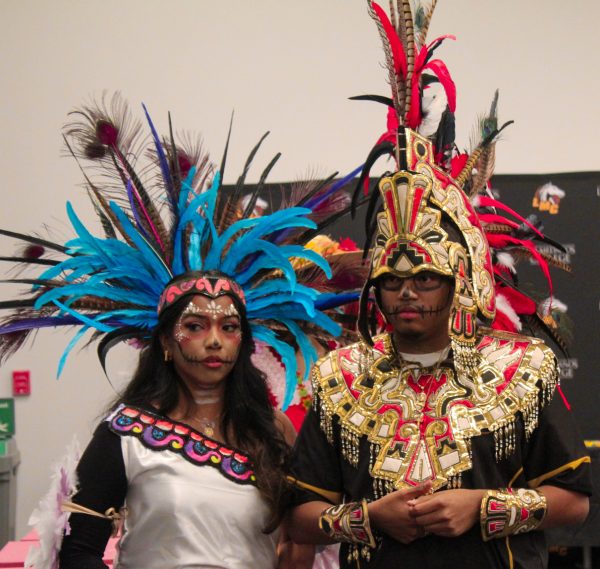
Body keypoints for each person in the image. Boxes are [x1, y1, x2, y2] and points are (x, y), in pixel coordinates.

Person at [287, 2, 592, 568]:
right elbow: (298, 512)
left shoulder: (518, 370)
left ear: (459, 283)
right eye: (393, 279)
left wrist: (486, 507)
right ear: (373, 288)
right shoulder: (340, 381)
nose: (407, 292)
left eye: (425, 278)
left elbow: (573, 501)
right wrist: (367, 518)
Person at [0, 96, 344, 569]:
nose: (215, 340)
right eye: (195, 325)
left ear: (244, 340)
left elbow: (297, 539)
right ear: (165, 340)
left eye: (229, 326)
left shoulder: (272, 432)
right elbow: (79, 551)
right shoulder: (124, 433)